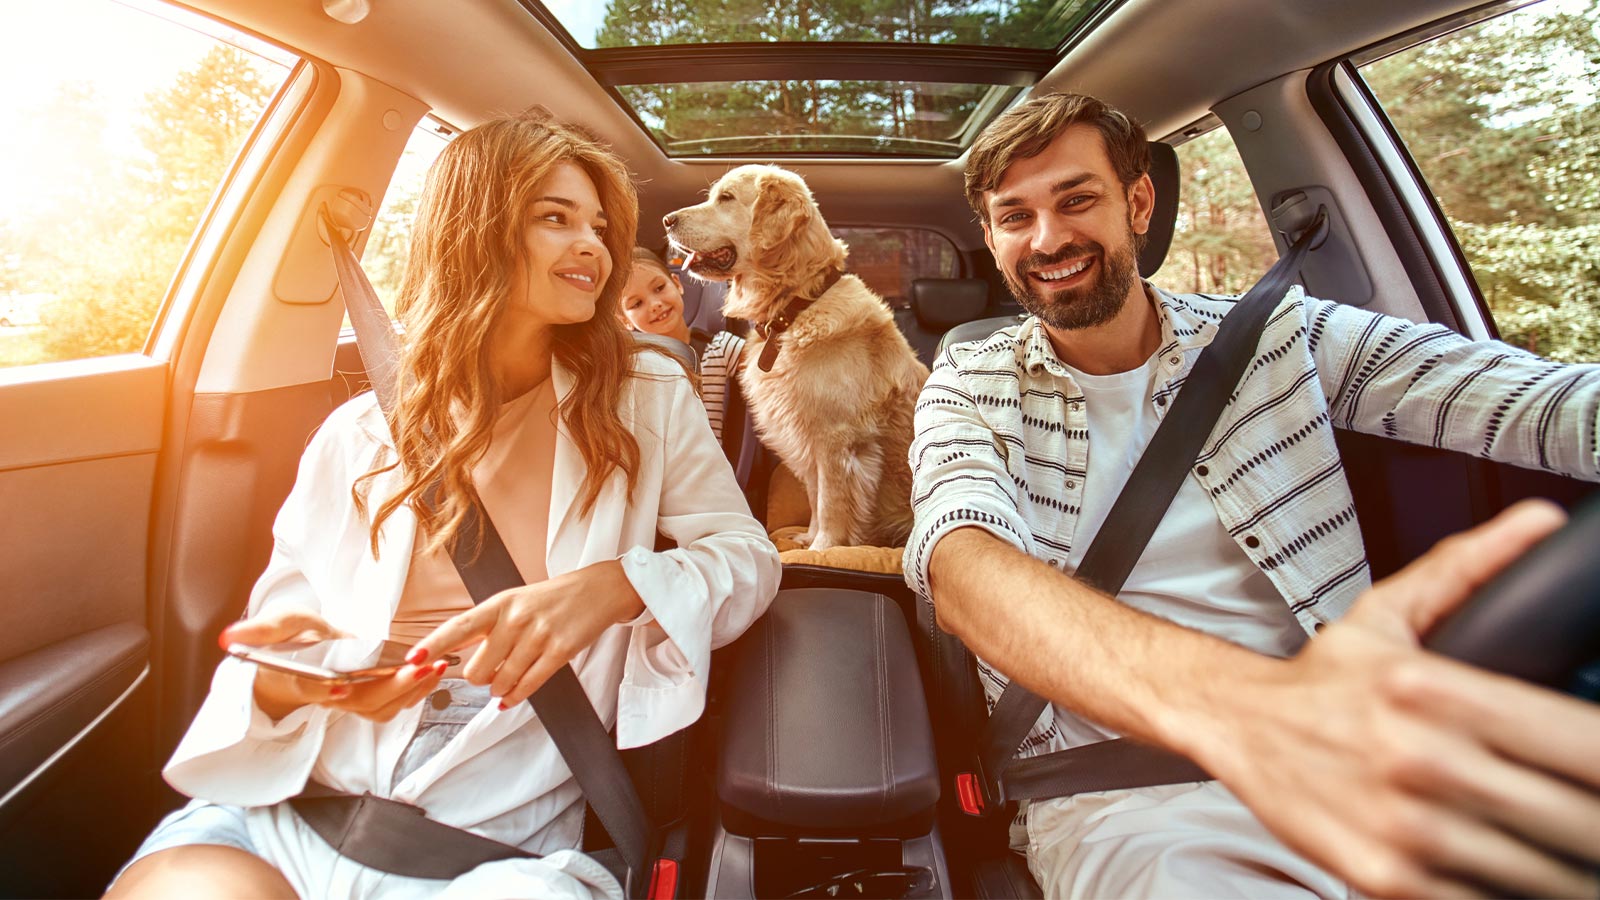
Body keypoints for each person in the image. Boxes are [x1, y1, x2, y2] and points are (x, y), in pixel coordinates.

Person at [905, 91, 1600, 899]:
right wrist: (1263, 714)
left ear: (1138, 202)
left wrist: (1312, 723)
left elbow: (1535, 403)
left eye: (1077, 199)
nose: (1049, 238)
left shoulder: (1280, 335)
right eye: (1014, 216)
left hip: (1357, 747)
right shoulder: (969, 381)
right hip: (1122, 799)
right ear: (990, 240)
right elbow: (960, 560)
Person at [106, 114, 781, 900]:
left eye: (599, 225)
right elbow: (284, 640)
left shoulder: (647, 397)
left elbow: (747, 557)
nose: (593, 246)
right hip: (289, 808)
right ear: (475, 228)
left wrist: (614, 587)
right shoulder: (357, 431)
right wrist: (303, 680)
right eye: (554, 218)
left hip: (493, 846)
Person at [619, 246, 747, 443]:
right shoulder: (635, 370)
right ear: (625, 321)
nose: (655, 304)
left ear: (677, 284)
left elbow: (771, 365)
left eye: (659, 288)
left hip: (709, 468)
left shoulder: (718, 347)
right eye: (637, 304)